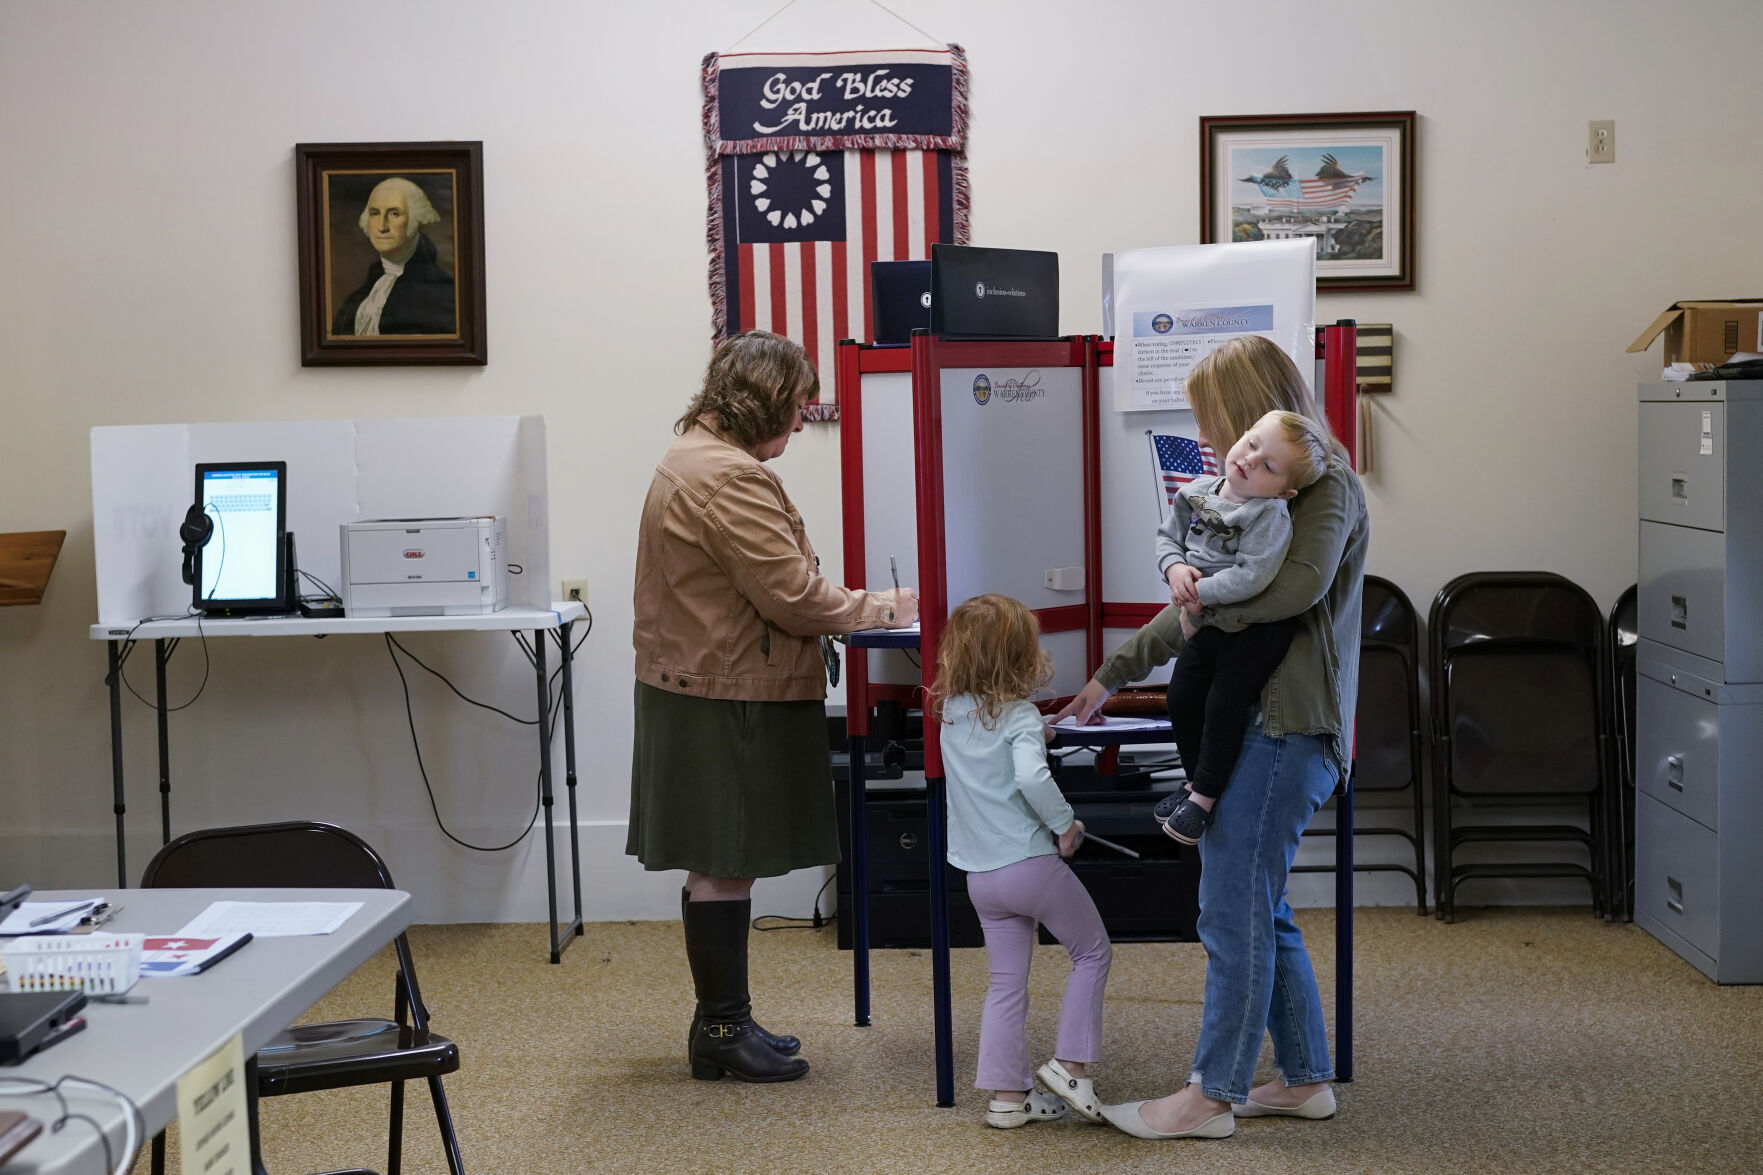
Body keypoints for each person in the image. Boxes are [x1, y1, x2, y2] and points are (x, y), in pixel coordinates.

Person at [1052, 333, 1368, 1139]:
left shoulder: (1324, 490)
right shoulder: (1251, 498)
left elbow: (1284, 592)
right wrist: (1110, 676)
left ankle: (1211, 1095)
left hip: (1287, 727)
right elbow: (1203, 600)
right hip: (1264, 728)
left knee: (1229, 915)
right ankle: (1304, 1079)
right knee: (1261, 910)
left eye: (1217, 421)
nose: (1214, 441)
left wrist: (1193, 591)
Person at [628, 329, 918, 1084]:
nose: (799, 419)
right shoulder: (727, 476)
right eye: (794, 405)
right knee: (725, 861)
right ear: (761, 399)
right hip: (727, 692)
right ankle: (721, 1027)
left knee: (721, 860)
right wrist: (888, 607)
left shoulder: (697, 456)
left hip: (706, 680)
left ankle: (721, 1019)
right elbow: (792, 596)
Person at [933, 594, 1112, 1129]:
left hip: (979, 877)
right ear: (1021, 657)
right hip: (1031, 867)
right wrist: (1066, 826)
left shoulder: (952, 714)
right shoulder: (1020, 716)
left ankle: (1007, 1100)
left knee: (1006, 982)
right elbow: (1031, 777)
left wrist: (1042, 730)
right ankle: (1071, 1066)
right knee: (1092, 953)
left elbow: (995, 748)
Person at [1151, 409, 1330, 845]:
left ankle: (1206, 798)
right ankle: (1194, 782)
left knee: (1224, 704)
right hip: (1207, 619)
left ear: (1284, 491)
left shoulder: (1268, 515)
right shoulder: (1195, 493)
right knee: (1181, 697)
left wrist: (1198, 594)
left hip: (1255, 628)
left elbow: (1254, 576)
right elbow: (1167, 538)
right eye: (1252, 444)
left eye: (1267, 465)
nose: (1250, 460)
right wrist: (1174, 568)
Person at [331, 176, 457, 337]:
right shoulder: (358, 299)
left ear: (415, 219)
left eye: (394, 213)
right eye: (375, 213)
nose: (382, 226)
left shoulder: (441, 294)